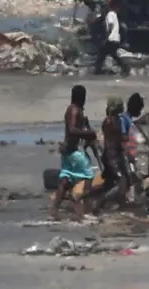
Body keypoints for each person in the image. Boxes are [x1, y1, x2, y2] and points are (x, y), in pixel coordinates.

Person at [50, 85, 97, 221]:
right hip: (74, 152)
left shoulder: (73, 110)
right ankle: (86, 210)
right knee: (88, 177)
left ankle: (53, 212)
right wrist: (89, 133)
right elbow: (72, 130)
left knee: (65, 180)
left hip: (67, 152)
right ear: (81, 97)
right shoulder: (75, 110)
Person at [93, 97, 129, 213]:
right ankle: (101, 203)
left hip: (110, 155)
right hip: (113, 156)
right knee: (122, 182)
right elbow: (119, 139)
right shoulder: (113, 121)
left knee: (109, 183)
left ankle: (97, 201)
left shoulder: (111, 120)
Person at [94, 4, 130, 76]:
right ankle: (125, 67)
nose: (103, 10)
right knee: (112, 54)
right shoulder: (113, 14)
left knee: (102, 53)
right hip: (115, 39)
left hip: (111, 38)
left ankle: (98, 70)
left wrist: (107, 36)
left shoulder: (110, 14)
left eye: (103, 8)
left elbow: (111, 25)